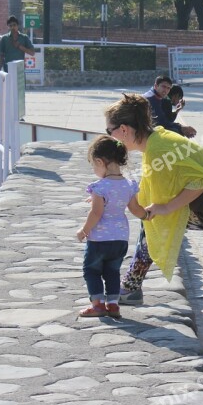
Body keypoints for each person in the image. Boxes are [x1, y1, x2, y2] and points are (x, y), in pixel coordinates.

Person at [108, 94, 203, 386]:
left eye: (110, 131)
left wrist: (165, 207)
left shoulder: (160, 146)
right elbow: (156, 191)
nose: (111, 137)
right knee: (152, 219)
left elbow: (201, 180)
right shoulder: (156, 141)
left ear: (124, 130)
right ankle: (131, 285)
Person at [76, 135, 146, 319]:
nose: (94, 169)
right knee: (112, 271)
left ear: (100, 161)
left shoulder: (98, 187)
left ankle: (98, 305)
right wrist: (147, 214)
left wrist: (84, 231)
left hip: (99, 239)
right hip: (120, 239)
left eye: (94, 165)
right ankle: (113, 305)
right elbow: (135, 209)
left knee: (91, 270)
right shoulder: (129, 185)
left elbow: (96, 214)